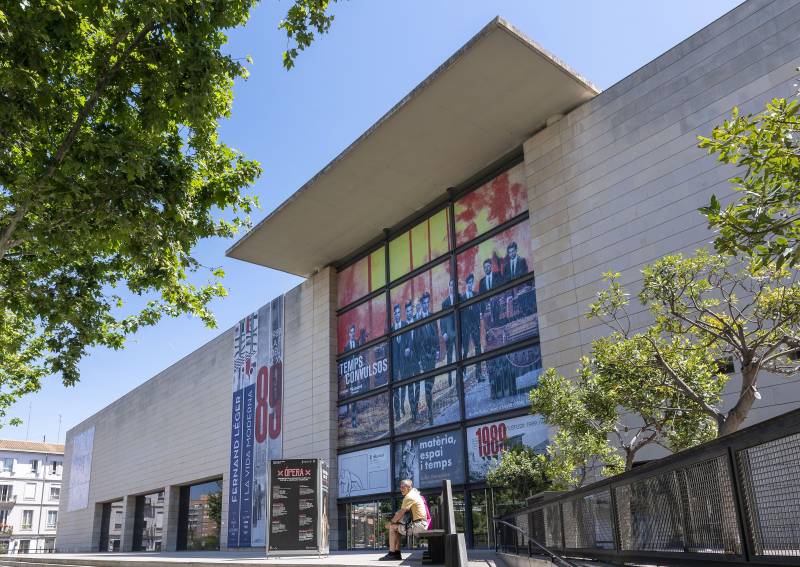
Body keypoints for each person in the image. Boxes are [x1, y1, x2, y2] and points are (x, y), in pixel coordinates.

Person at [381, 479, 430, 561]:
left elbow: (401, 513)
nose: (401, 489)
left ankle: (392, 553)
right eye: (400, 487)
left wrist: (391, 523)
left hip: (419, 526)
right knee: (397, 528)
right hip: (422, 524)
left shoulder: (409, 497)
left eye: (403, 487)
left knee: (392, 527)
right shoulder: (415, 494)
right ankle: (396, 553)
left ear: (409, 487)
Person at [461, 274, 482, 362]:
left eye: (472, 283)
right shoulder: (462, 298)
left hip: (475, 326)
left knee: (478, 347)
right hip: (466, 327)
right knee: (465, 349)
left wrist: (478, 324)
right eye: (469, 283)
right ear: (466, 284)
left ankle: (479, 372)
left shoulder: (476, 294)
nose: (470, 285)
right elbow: (461, 316)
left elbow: (478, 310)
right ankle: (463, 371)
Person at [440, 280, 457, 373]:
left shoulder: (460, 297)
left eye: (453, 285)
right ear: (448, 286)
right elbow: (442, 320)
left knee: (459, 353)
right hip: (449, 333)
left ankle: (461, 373)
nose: (452, 287)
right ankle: (450, 375)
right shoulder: (445, 303)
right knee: (449, 355)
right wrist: (443, 333)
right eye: (450, 285)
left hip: (458, 331)